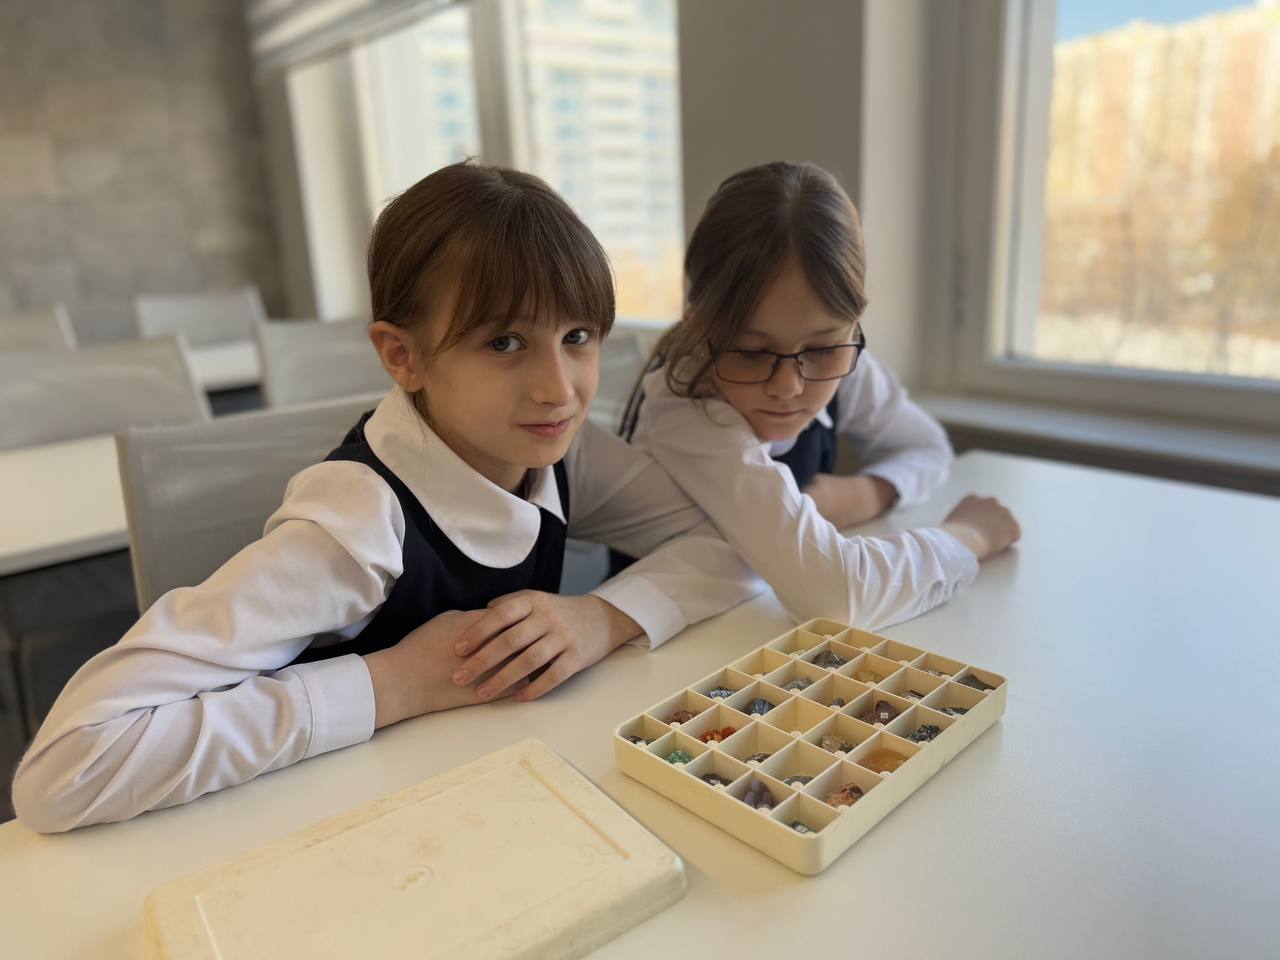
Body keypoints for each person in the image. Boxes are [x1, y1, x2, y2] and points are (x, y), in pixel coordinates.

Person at [11, 161, 766, 833]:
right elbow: (66, 768)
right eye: (504, 343)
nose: (559, 389)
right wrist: (396, 683)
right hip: (343, 834)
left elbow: (737, 542)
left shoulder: (565, 447)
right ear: (403, 356)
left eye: (578, 336)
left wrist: (601, 617)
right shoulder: (356, 523)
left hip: (496, 803)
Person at [618, 161, 1021, 629]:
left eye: (821, 348)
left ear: (853, 324)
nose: (788, 386)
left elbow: (927, 446)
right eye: (751, 352)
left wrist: (865, 493)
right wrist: (966, 536)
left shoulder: (845, 360)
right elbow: (835, 596)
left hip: (756, 629)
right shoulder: (683, 406)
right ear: (698, 328)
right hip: (664, 649)